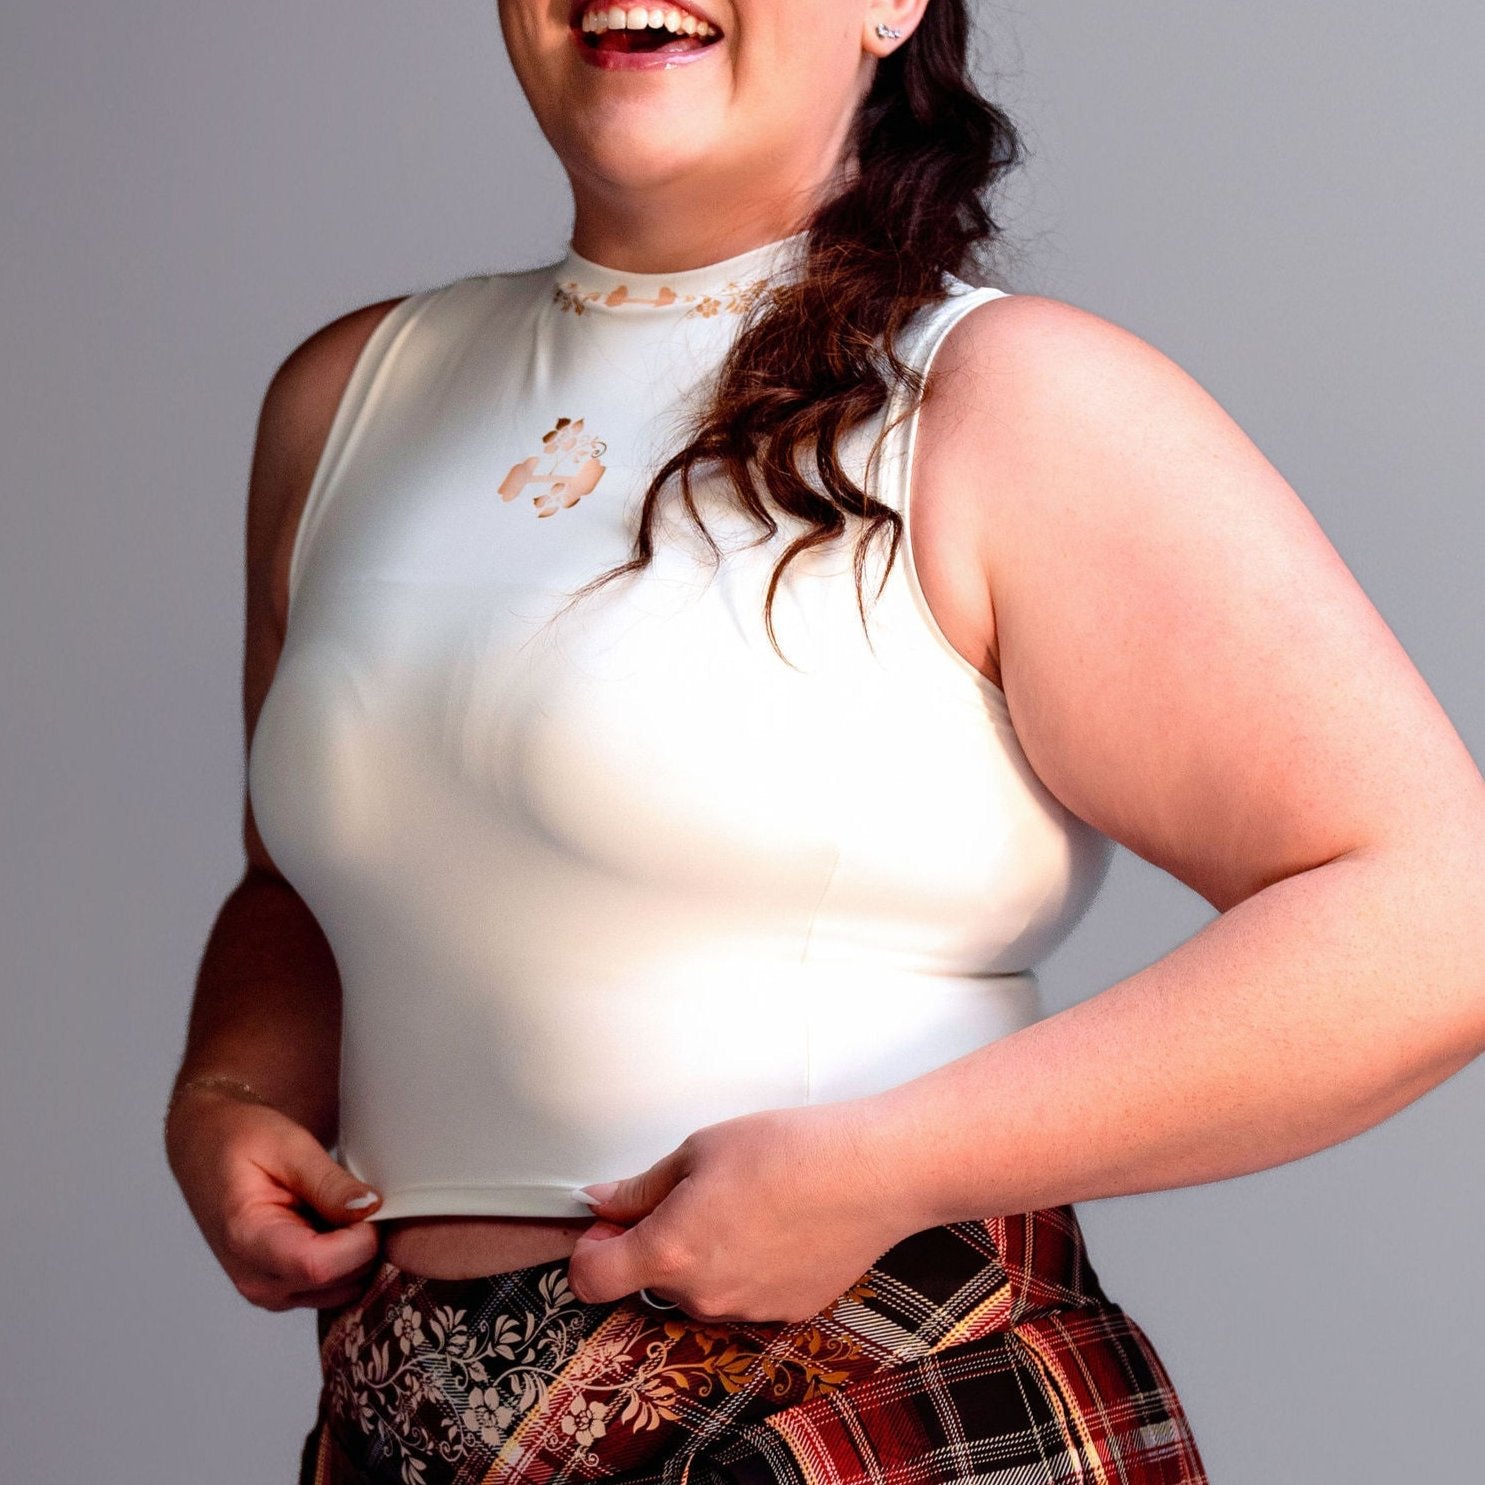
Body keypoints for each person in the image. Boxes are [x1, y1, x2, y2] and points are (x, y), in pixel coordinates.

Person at [164, 1, 1485, 1482]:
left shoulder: (1000, 399)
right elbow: (293, 883)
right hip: (403, 1423)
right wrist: (231, 1091)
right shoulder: (350, 400)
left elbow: (1441, 921)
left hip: (876, 1409)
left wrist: (884, 1165)